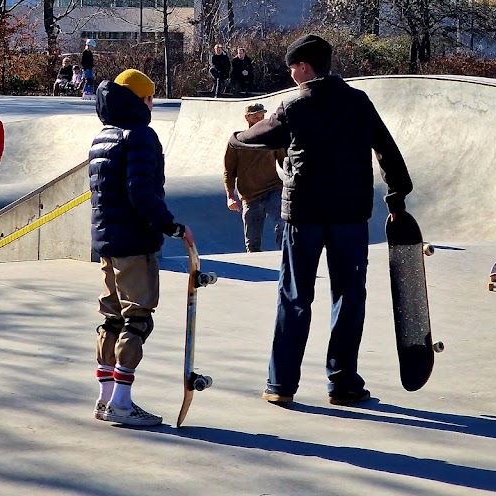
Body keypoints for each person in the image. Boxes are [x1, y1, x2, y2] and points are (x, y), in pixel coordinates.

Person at [232, 33, 413, 406]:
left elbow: (260, 136)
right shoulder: (359, 103)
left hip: (305, 216)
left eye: (292, 68)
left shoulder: (295, 106)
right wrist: (397, 195)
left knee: (295, 296)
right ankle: (343, 382)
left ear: (303, 67)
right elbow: (387, 150)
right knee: (349, 296)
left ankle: (280, 385)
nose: (291, 74)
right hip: (349, 216)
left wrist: (237, 136)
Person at [89, 68, 194, 428]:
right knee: (137, 319)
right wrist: (171, 225)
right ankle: (121, 403)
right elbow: (141, 191)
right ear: (141, 99)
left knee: (112, 318)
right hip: (134, 241)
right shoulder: (140, 136)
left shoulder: (102, 136)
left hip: (106, 241)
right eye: (150, 98)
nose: (152, 104)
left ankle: (105, 398)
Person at [224, 102, 285, 252]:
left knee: (282, 225)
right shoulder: (237, 141)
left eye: (262, 117)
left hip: (273, 189)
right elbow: (229, 170)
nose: (260, 120)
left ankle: (287, 261)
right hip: (250, 196)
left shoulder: (272, 138)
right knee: (252, 242)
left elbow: (284, 161)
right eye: (256, 117)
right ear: (247, 118)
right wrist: (230, 196)